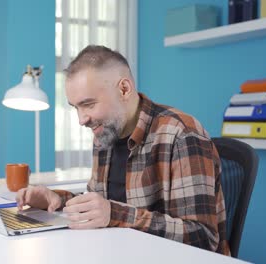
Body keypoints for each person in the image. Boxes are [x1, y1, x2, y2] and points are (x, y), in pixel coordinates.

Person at [16, 45, 230, 255]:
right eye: (76, 107)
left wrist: (114, 214)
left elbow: (203, 239)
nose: (81, 120)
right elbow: (100, 205)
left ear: (124, 89)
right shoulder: (105, 134)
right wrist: (56, 200)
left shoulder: (181, 134)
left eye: (89, 104)